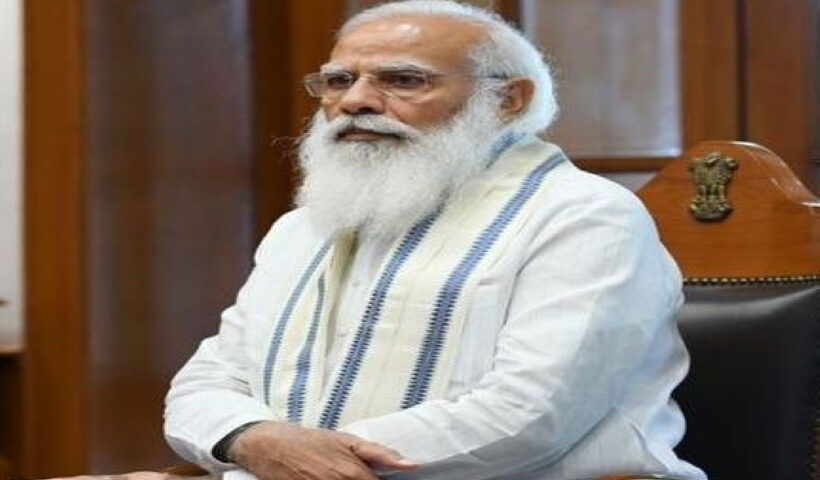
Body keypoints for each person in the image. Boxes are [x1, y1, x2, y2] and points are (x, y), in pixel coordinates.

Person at [163, 2, 706, 480]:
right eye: (338, 80)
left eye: (403, 80)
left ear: (508, 100)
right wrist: (251, 439)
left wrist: (283, 466)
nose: (355, 101)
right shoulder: (303, 228)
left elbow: (529, 416)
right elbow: (206, 380)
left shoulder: (584, 216)